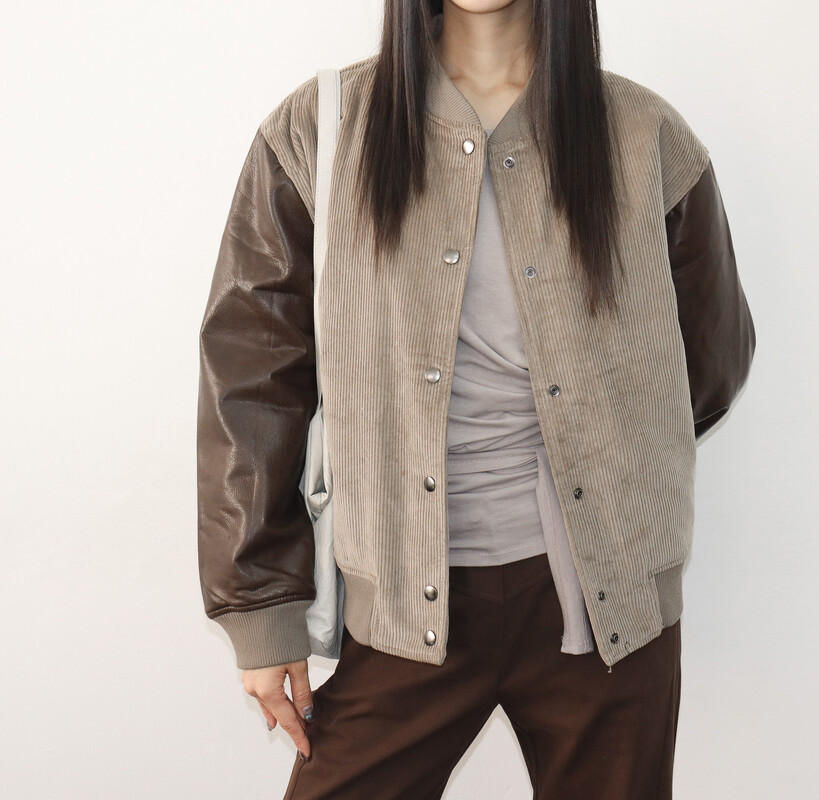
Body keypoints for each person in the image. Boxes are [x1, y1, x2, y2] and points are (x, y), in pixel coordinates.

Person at [197, 1, 756, 797]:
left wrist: (607, 448)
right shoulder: (321, 129)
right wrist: (261, 611)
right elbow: (251, 378)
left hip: (607, 611)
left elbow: (709, 361)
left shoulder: (644, 135)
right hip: (402, 598)